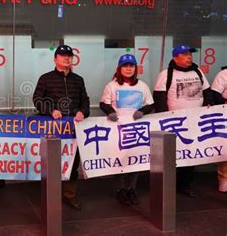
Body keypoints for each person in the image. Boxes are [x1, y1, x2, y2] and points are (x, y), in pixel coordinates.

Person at [33, 44, 90, 211]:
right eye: (63, 55)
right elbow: (37, 99)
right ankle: (50, 194)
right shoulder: (46, 78)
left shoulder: (78, 80)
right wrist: (51, 110)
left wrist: (82, 112)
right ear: (55, 59)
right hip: (53, 128)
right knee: (52, 161)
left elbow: (85, 100)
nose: (67, 58)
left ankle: (70, 195)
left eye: (69, 56)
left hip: (73, 128)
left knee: (73, 161)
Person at [153, 45, 212, 197]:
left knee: (190, 154)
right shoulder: (166, 74)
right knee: (173, 155)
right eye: (184, 54)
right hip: (175, 124)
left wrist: (208, 104)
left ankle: (185, 185)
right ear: (175, 58)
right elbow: (159, 97)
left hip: (195, 122)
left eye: (190, 54)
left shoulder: (198, 72)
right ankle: (169, 186)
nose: (189, 57)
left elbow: (207, 91)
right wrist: (164, 119)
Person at [99, 54, 154, 205]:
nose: (128, 69)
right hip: (118, 129)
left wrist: (142, 111)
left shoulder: (142, 86)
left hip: (137, 130)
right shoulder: (112, 85)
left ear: (135, 68)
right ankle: (120, 190)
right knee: (120, 159)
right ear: (119, 68)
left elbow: (150, 104)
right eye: (125, 66)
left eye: (131, 66)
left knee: (135, 159)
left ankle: (131, 189)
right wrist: (109, 112)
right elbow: (103, 103)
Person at [211, 66, 227, 192]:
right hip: (225, 114)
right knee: (225, 147)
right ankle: (224, 179)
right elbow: (215, 95)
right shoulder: (224, 74)